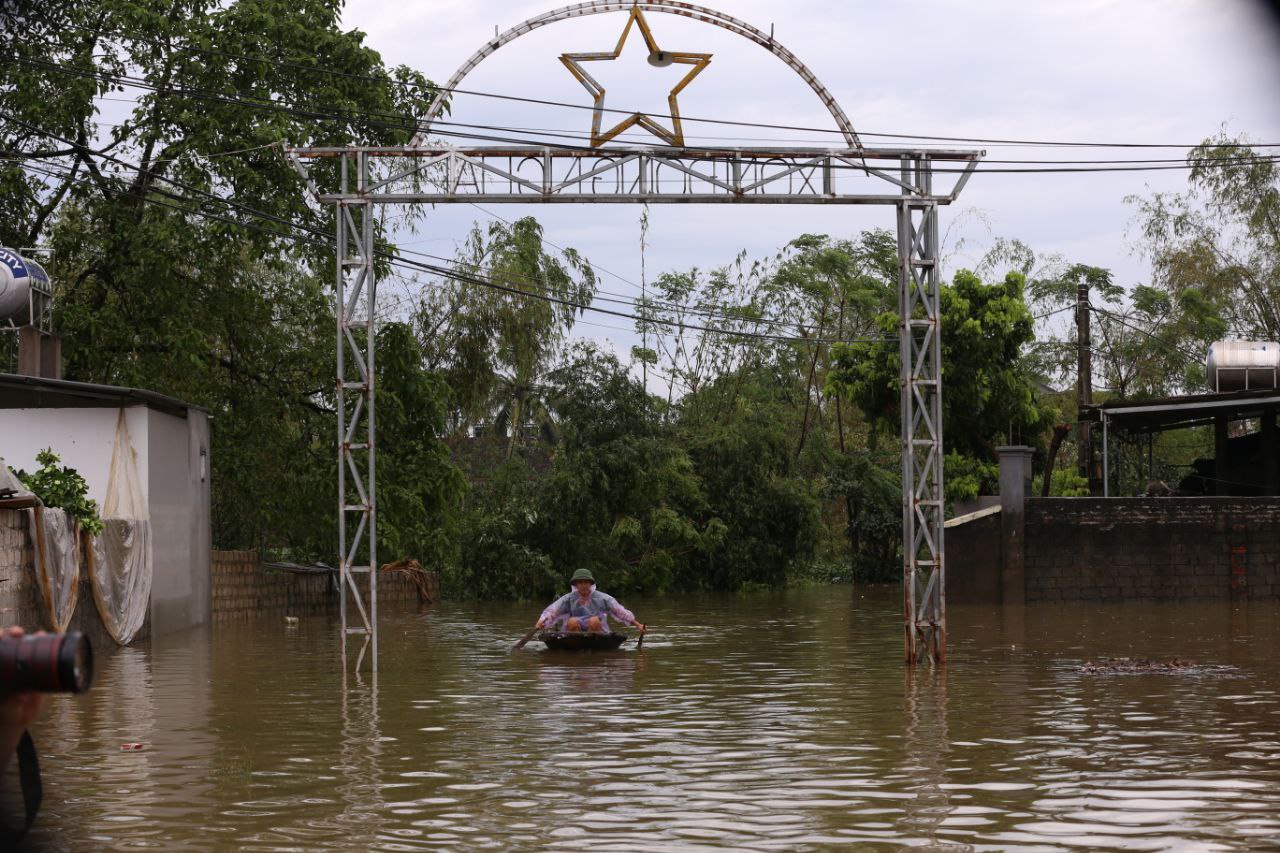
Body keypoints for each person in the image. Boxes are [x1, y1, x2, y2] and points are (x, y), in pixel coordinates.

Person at [535, 569, 645, 635]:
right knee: (572, 621)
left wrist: (638, 625)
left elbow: (620, 611)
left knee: (594, 621)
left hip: (596, 627)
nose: (583, 585)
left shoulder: (602, 598)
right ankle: (576, 647)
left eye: (586, 582)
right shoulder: (569, 598)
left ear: (590, 584)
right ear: (576, 584)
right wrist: (541, 622)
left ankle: (593, 645)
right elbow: (553, 611)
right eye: (580, 582)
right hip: (575, 627)